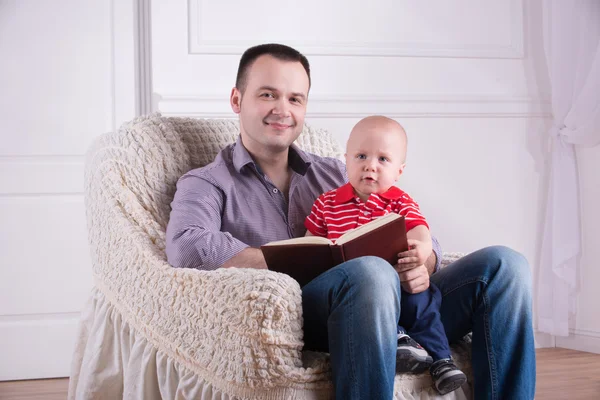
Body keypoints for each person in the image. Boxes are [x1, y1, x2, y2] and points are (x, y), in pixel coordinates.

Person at [165, 43, 536, 399]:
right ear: (237, 100)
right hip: (306, 317)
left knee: (507, 266)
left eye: (295, 99)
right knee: (370, 272)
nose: (282, 108)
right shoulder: (208, 181)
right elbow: (186, 244)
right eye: (267, 94)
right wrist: (289, 257)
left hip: (402, 312)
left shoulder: (339, 171)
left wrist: (422, 262)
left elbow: (409, 221)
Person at [304, 115, 467, 394]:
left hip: (398, 283)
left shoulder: (400, 201)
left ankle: (441, 360)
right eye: (361, 156)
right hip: (353, 292)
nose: (370, 165)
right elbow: (311, 243)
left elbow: (420, 231)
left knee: (422, 298)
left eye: (383, 159)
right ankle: (400, 340)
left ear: (399, 171)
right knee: (373, 288)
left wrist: (420, 253)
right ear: (346, 160)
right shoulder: (327, 202)